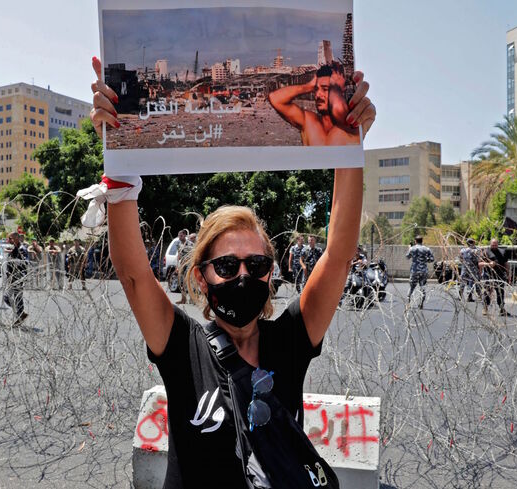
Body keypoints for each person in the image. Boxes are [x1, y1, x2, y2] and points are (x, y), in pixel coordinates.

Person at [86, 55, 375, 487]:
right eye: (226, 265)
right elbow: (133, 275)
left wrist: (348, 143)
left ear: (271, 272)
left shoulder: (291, 339)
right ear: (201, 277)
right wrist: (120, 153)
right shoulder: (182, 344)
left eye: (256, 264)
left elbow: (336, 255)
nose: (243, 276)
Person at [268, 62, 360, 146]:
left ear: (340, 90)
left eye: (325, 89)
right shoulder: (308, 121)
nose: (318, 94)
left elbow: (338, 110)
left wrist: (336, 88)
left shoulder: (352, 127)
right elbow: (275, 98)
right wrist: (308, 86)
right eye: (316, 89)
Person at [4, 231, 30, 326]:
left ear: (16, 238)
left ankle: (20, 315)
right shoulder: (15, 248)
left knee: (11, 297)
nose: (9, 240)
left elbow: (25, 262)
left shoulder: (22, 249)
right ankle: (20, 314)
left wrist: (16, 261)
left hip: (17, 277)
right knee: (15, 298)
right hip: (12, 277)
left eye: (10, 238)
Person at [480, 239, 509, 316]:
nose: (494, 246)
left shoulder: (503, 252)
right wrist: (488, 264)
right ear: (490, 244)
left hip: (500, 275)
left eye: (495, 245)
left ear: (498, 244)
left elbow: (506, 263)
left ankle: (502, 308)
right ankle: (485, 308)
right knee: (487, 292)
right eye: (493, 245)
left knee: (500, 292)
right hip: (488, 275)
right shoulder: (485, 252)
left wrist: (508, 273)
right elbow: (480, 263)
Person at [406, 235, 434, 309]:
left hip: (414, 270)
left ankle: (408, 303)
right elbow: (431, 259)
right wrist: (424, 260)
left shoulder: (412, 248)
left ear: (415, 241)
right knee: (422, 287)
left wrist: (410, 248)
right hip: (423, 270)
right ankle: (421, 304)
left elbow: (407, 257)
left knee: (411, 287)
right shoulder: (427, 249)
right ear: (422, 241)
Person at [459, 238, 481, 302]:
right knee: (474, 282)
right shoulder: (476, 250)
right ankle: (471, 297)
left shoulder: (463, 250)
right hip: (474, 269)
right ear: (474, 242)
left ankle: (460, 295)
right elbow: (479, 259)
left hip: (465, 269)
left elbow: (460, 259)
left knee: (463, 282)